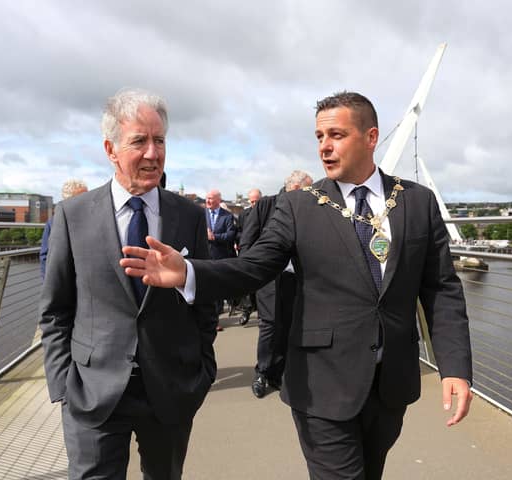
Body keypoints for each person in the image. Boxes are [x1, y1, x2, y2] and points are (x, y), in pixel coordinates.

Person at [121, 91, 474, 479]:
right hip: (320, 383)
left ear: (371, 137)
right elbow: (255, 267)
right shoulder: (299, 206)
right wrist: (190, 273)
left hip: (391, 382)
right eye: (319, 137)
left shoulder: (417, 203)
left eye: (336, 135)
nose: (324, 147)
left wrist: (454, 368)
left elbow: (441, 289)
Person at [40, 88, 218, 480]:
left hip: (171, 388)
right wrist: (63, 386)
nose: (153, 153)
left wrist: (202, 370)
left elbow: (205, 299)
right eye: (140, 141)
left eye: (160, 141)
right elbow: (55, 309)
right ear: (111, 149)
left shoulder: (188, 216)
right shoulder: (73, 216)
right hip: (92, 391)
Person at [240, 171, 312, 398]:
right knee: (270, 325)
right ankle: (262, 372)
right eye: (307, 190)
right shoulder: (265, 206)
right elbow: (247, 242)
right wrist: (251, 273)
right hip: (269, 277)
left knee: (288, 325)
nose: (311, 195)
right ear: (295, 188)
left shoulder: (307, 208)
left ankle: (278, 373)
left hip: (294, 278)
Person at [39, 179, 88, 279]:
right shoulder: (53, 223)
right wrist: (48, 284)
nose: (87, 200)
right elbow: (45, 255)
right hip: (64, 278)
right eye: (83, 197)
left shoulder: (95, 218)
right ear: (69, 200)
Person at [204, 188, 237, 330]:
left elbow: (230, 236)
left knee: (216, 289)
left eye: (211, 198)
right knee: (205, 289)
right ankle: (207, 318)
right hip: (204, 256)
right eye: (207, 198)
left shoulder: (227, 216)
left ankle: (215, 320)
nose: (208, 201)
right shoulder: (200, 214)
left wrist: (214, 237)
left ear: (218, 200)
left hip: (220, 257)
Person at [232, 188, 262, 325]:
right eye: (252, 201)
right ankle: (246, 310)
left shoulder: (269, 212)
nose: (254, 204)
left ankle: (262, 311)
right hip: (247, 251)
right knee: (245, 281)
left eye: (257, 201)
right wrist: (245, 237)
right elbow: (237, 232)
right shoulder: (244, 214)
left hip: (263, 250)